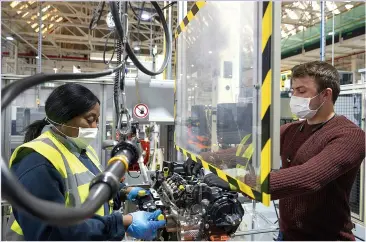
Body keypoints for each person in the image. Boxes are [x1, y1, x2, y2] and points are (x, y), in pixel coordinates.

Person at [196, 61, 365, 240]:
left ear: (325, 94)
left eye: (301, 91)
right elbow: (248, 151)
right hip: (286, 233)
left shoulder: (350, 136)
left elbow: (308, 178)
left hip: (326, 237)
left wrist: (238, 182)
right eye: (293, 91)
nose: (294, 97)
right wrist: (201, 159)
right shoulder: (292, 130)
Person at [5, 83, 165, 241]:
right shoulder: (37, 161)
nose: (95, 127)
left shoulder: (82, 149)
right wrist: (123, 223)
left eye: (97, 120)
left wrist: (123, 192)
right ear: (64, 118)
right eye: (90, 120)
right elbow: (51, 232)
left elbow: (88, 190)